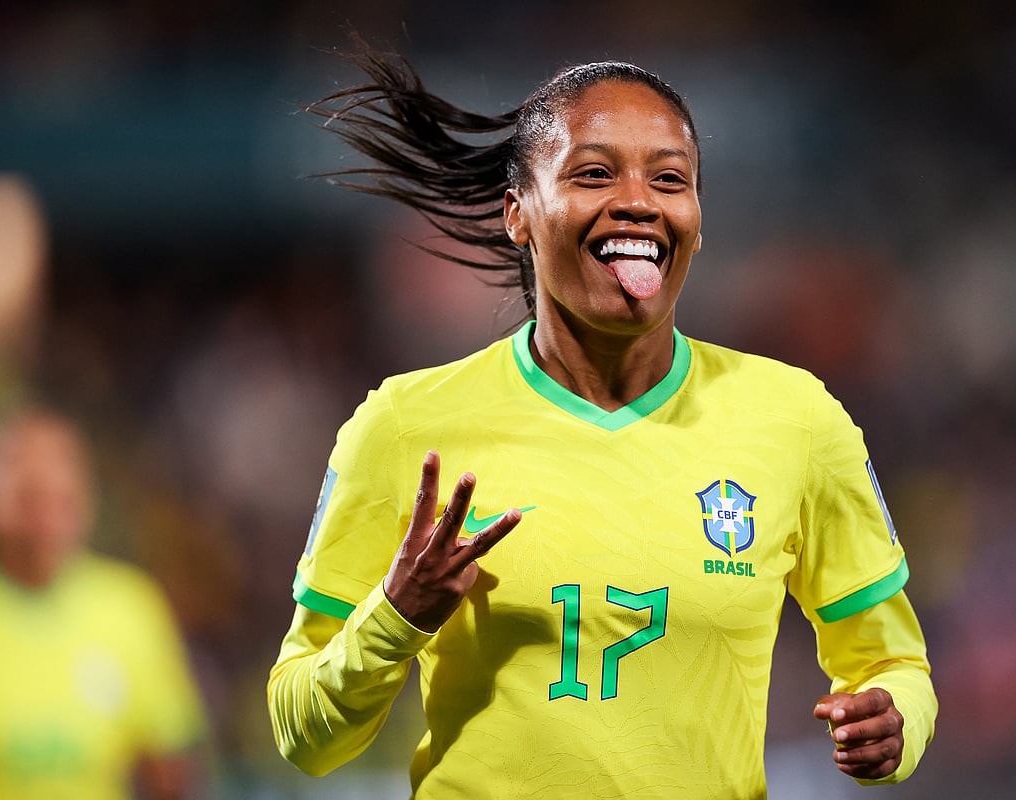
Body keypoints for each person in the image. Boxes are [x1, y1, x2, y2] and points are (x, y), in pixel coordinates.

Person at [268, 44, 936, 798]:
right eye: (594, 173)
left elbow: (894, 665)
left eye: (669, 179)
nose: (638, 201)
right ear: (517, 213)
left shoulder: (798, 421)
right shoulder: (402, 428)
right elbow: (303, 737)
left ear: (696, 218)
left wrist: (894, 724)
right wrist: (395, 618)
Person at [0, 407, 207, 800]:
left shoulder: (128, 607)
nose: (46, 521)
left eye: (61, 499)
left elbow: (170, 770)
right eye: (31, 498)